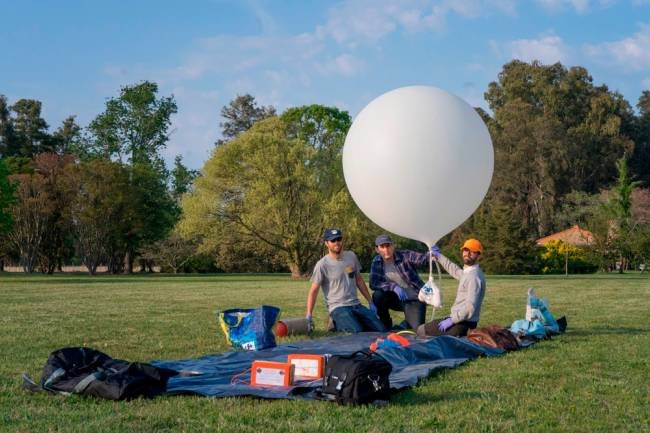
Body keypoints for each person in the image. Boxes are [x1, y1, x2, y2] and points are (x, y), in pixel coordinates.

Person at [306, 228, 385, 333]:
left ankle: (348, 321)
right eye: (333, 240)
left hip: (356, 305)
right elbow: (313, 291)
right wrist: (309, 314)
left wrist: (370, 302)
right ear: (326, 243)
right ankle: (334, 322)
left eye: (338, 239)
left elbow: (359, 280)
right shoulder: (322, 265)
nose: (336, 243)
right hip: (338, 307)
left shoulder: (351, 256)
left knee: (381, 329)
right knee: (356, 332)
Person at [417, 238, 486, 337]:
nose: (468, 253)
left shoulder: (474, 277)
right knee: (424, 330)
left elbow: (470, 307)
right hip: (459, 321)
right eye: (466, 250)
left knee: (421, 330)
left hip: (462, 324)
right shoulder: (469, 272)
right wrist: (439, 256)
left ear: (478, 255)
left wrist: (452, 320)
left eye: (473, 251)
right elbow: (454, 269)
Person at [369, 234, 429, 330]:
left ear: (393, 246)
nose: (386, 250)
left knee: (417, 330)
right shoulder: (376, 262)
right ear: (377, 249)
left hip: (414, 299)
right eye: (382, 247)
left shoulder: (405, 255)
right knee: (377, 296)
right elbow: (374, 283)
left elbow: (422, 259)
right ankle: (385, 325)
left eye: (388, 246)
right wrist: (393, 287)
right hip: (396, 299)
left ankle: (402, 326)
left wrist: (431, 254)